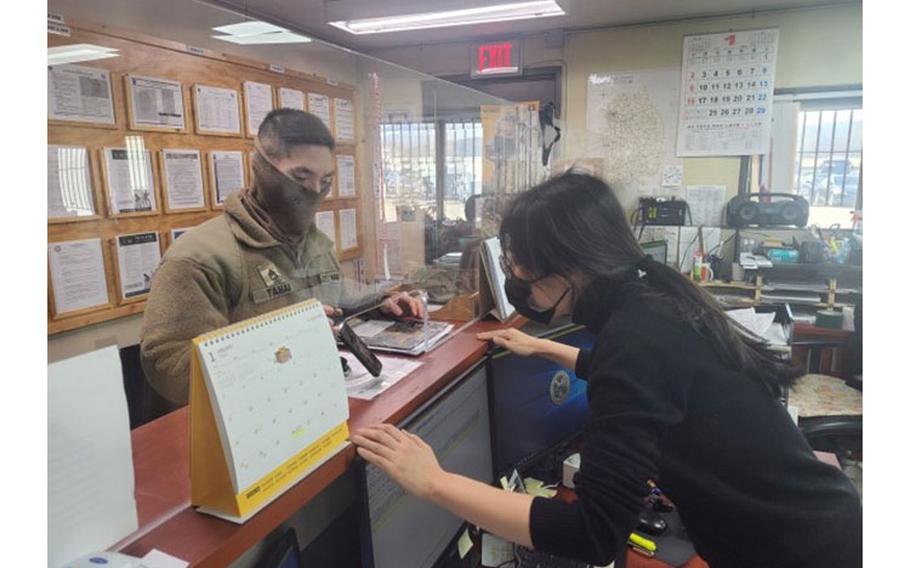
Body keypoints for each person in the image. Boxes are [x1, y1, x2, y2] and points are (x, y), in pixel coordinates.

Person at [352, 172, 862, 568]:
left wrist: (434, 483)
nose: (516, 279)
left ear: (570, 265)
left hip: (800, 552)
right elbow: (647, 385)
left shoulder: (635, 336)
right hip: (815, 525)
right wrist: (546, 349)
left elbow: (593, 532)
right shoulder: (650, 297)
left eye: (520, 265)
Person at [141, 109, 422, 405]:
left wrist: (379, 302)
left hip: (310, 400)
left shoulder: (312, 242)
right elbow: (168, 367)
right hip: (248, 421)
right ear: (263, 167)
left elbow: (334, 292)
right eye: (301, 176)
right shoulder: (200, 257)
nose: (314, 191)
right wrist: (276, 346)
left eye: (325, 180)